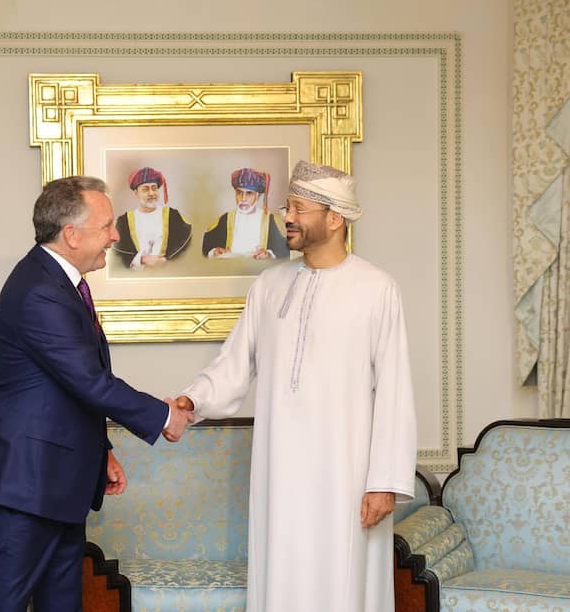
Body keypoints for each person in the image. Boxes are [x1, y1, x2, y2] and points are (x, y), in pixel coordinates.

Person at [175, 160, 417, 611]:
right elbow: (235, 361)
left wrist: (383, 481)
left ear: (334, 218)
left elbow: (395, 389)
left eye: (299, 208)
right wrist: (193, 399)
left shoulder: (377, 289)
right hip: (280, 470)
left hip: (346, 475)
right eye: (287, 206)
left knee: (344, 581)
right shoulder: (269, 285)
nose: (286, 216)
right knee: (281, 573)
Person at [0, 175, 194, 612]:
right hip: (23, 485)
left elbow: (66, 388)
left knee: (62, 605)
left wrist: (101, 450)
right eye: (106, 225)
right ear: (71, 234)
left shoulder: (59, 283)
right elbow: (89, 380)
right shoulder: (38, 291)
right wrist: (163, 416)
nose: (115, 235)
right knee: (7, 604)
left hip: (56, 482)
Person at [112, 166, 192, 269]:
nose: (151, 193)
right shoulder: (124, 222)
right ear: (136, 193)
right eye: (145, 189)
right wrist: (142, 259)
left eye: (154, 188)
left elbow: (186, 244)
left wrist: (166, 261)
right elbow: (117, 253)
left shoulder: (173, 216)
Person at [202, 167, 289, 260]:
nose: (243, 198)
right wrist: (215, 251)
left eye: (249, 193)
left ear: (258, 196)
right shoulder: (226, 218)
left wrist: (268, 254)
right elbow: (207, 246)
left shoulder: (271, 220)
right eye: (239, 192)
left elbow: (285, 250)